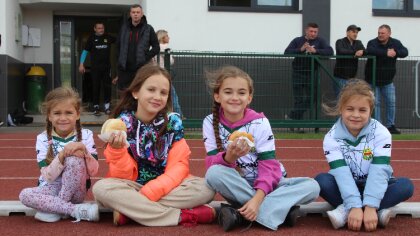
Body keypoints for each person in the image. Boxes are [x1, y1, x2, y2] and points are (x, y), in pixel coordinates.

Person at [92, 64, 216, 227]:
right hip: (133, 185)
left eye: (163, 93)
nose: (157, 96)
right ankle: (185, 215)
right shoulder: (121, 125)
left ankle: (132, 211)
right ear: (136, 92)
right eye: (151, 90)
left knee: (206, 188)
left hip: (170, 186)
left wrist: (150, 192)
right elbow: (123, 175)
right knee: (101, 189)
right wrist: (117, 151)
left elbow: (178, 167)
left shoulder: (173, 122)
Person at [203, 66, 320, 231]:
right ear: (217, 96)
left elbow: (269, 165)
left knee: (312, 186)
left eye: (241, 93)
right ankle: (280, 211)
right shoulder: (209, 121)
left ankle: (241, 215)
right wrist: (229, 158)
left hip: (268, 185)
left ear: (249, 97)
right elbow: (211, 164)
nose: (235, 97)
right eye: (228, 92)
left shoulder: (260, 122)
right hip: (237, 184)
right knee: (213, 173)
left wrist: (257, 199)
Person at [315, 79, 414, 231]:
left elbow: (379, 171)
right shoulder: (331, 137)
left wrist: (370, 205)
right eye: (350, 109)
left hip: (378, 185)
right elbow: (342, 175)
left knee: (406, 186)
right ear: (341, 109)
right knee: (321, 181)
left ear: (370, 110)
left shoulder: (381, 133)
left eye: (362, 110)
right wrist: (355, 205)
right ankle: (375, 210)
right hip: (347, 185)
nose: (355, 115)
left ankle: (348, 210)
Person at [19, 87, 100, 223]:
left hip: (76, 191)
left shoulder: (86, 135)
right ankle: (74, 210)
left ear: (77, 114)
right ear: (49, 116)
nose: (63, 118)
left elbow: (94, 171)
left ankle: (55, 209)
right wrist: (61, 155)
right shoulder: (42, 138)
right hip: (51, 188)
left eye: (68, 113)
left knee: (74, 159)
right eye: (57, 113)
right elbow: (47, 176)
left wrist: (84, 151)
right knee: (24, 195)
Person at [284, 23, 334, 127]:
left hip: (312, 73)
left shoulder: (320, 41)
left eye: (315, 32)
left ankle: (291, 116)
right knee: (299, 99)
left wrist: (315, 50)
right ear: (306, 31)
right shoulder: (297, 40)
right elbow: (287, 52)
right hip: (298, 73)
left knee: (313, 98)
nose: (313, 34)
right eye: (311, 31)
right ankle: (297, 125)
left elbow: (330, 51)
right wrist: (300, 50)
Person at [365, 24, 408, 134]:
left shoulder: (395, 43)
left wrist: (396, 53)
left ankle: (390, 126)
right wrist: (386, 53)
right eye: (379, 33)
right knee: (376, 103)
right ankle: (378, 126)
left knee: (391, 103)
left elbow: (405, 52)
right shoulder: (372, 42)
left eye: (382, 33)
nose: (380, 35)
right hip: (373, 80)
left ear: (389, 33)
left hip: (388, 81)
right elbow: (369, 50)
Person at [113, 4, 160, 91]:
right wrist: (119, 62)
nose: (135, 14)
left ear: (142, 14)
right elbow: (118, 47)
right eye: (133, 12)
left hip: (140, 68)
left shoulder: (148, 29)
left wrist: (145, 58)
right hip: (125, 69)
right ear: (130, 14)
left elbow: (156, 47)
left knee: (139, 92)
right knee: (124, 94)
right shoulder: (124, 28)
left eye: (138, 12)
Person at [79, 22, 116, 116]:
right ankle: (95, 107)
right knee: (95, 87)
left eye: (102, 28)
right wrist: (81, 64)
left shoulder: (108, 37)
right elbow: (85, 51)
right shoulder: (91, 39)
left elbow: (121, 41)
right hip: (95, 68)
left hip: (107, 68)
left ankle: (107, 107)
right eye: (99, 28)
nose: (101, 30)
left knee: (107, 87)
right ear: (95, 29)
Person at [154, 29, 183, 117]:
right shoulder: (164, 47)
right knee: (173, 95)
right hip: (164, 74)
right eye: (167, 36)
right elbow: (170, 61)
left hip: (156, 74)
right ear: (162, 37)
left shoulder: (155, 47)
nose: (169, 37)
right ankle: (179, 115)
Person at [333, 25, 365, 97]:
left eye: (357, 32)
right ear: (347, 33)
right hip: (340, 77)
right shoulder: (340, 41)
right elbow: (341, 51)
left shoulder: (358, 42)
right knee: (340, 100)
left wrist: (362, 52)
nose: (355, 34)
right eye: (353, 32)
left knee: (350, 100)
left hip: (352, 77)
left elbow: (365, 51)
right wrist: (355, 52)